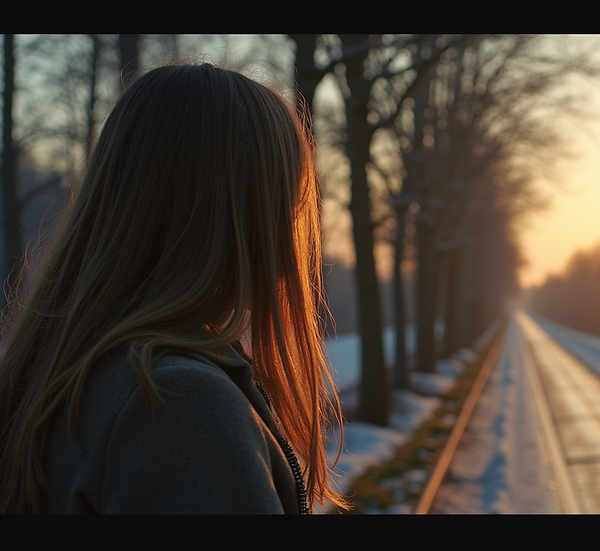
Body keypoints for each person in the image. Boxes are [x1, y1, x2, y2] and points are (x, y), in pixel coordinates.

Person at [0, 63, 346, 513]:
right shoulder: (180, 405)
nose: (290, 243)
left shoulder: (63, 371)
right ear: (235, 215)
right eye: (286, 206)